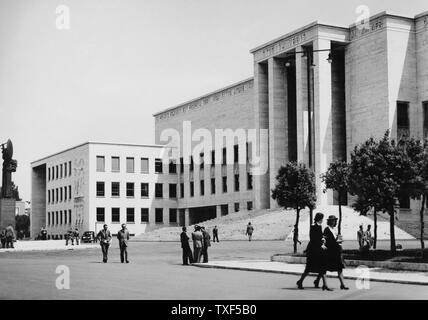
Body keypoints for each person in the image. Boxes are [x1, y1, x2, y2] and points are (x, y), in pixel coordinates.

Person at [296, 212, 329, 290]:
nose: (322, 220)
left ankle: (317, 281)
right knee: (309, 268)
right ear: (319, 219)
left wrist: (323, 238)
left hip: (319, 250)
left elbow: (319, 236)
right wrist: (321, 244)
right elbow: (313, 239)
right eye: (322, 219)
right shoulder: (313, 226)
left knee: (322, 266)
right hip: (313, 250)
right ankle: (300, 281)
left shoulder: (319, 226)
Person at [323, 215, 348, 290]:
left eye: (335, 220)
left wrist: (339, 239)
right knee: (324, 268)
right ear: (329, 221)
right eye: (333, 220)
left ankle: (342, 284)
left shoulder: (334, 229)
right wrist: (336, 240)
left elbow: (335, 240)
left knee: (339, 268)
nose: (334, 222)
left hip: (336, 251)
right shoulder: (327, 229)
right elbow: (328, 241)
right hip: (330, 252)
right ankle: (325, 285)